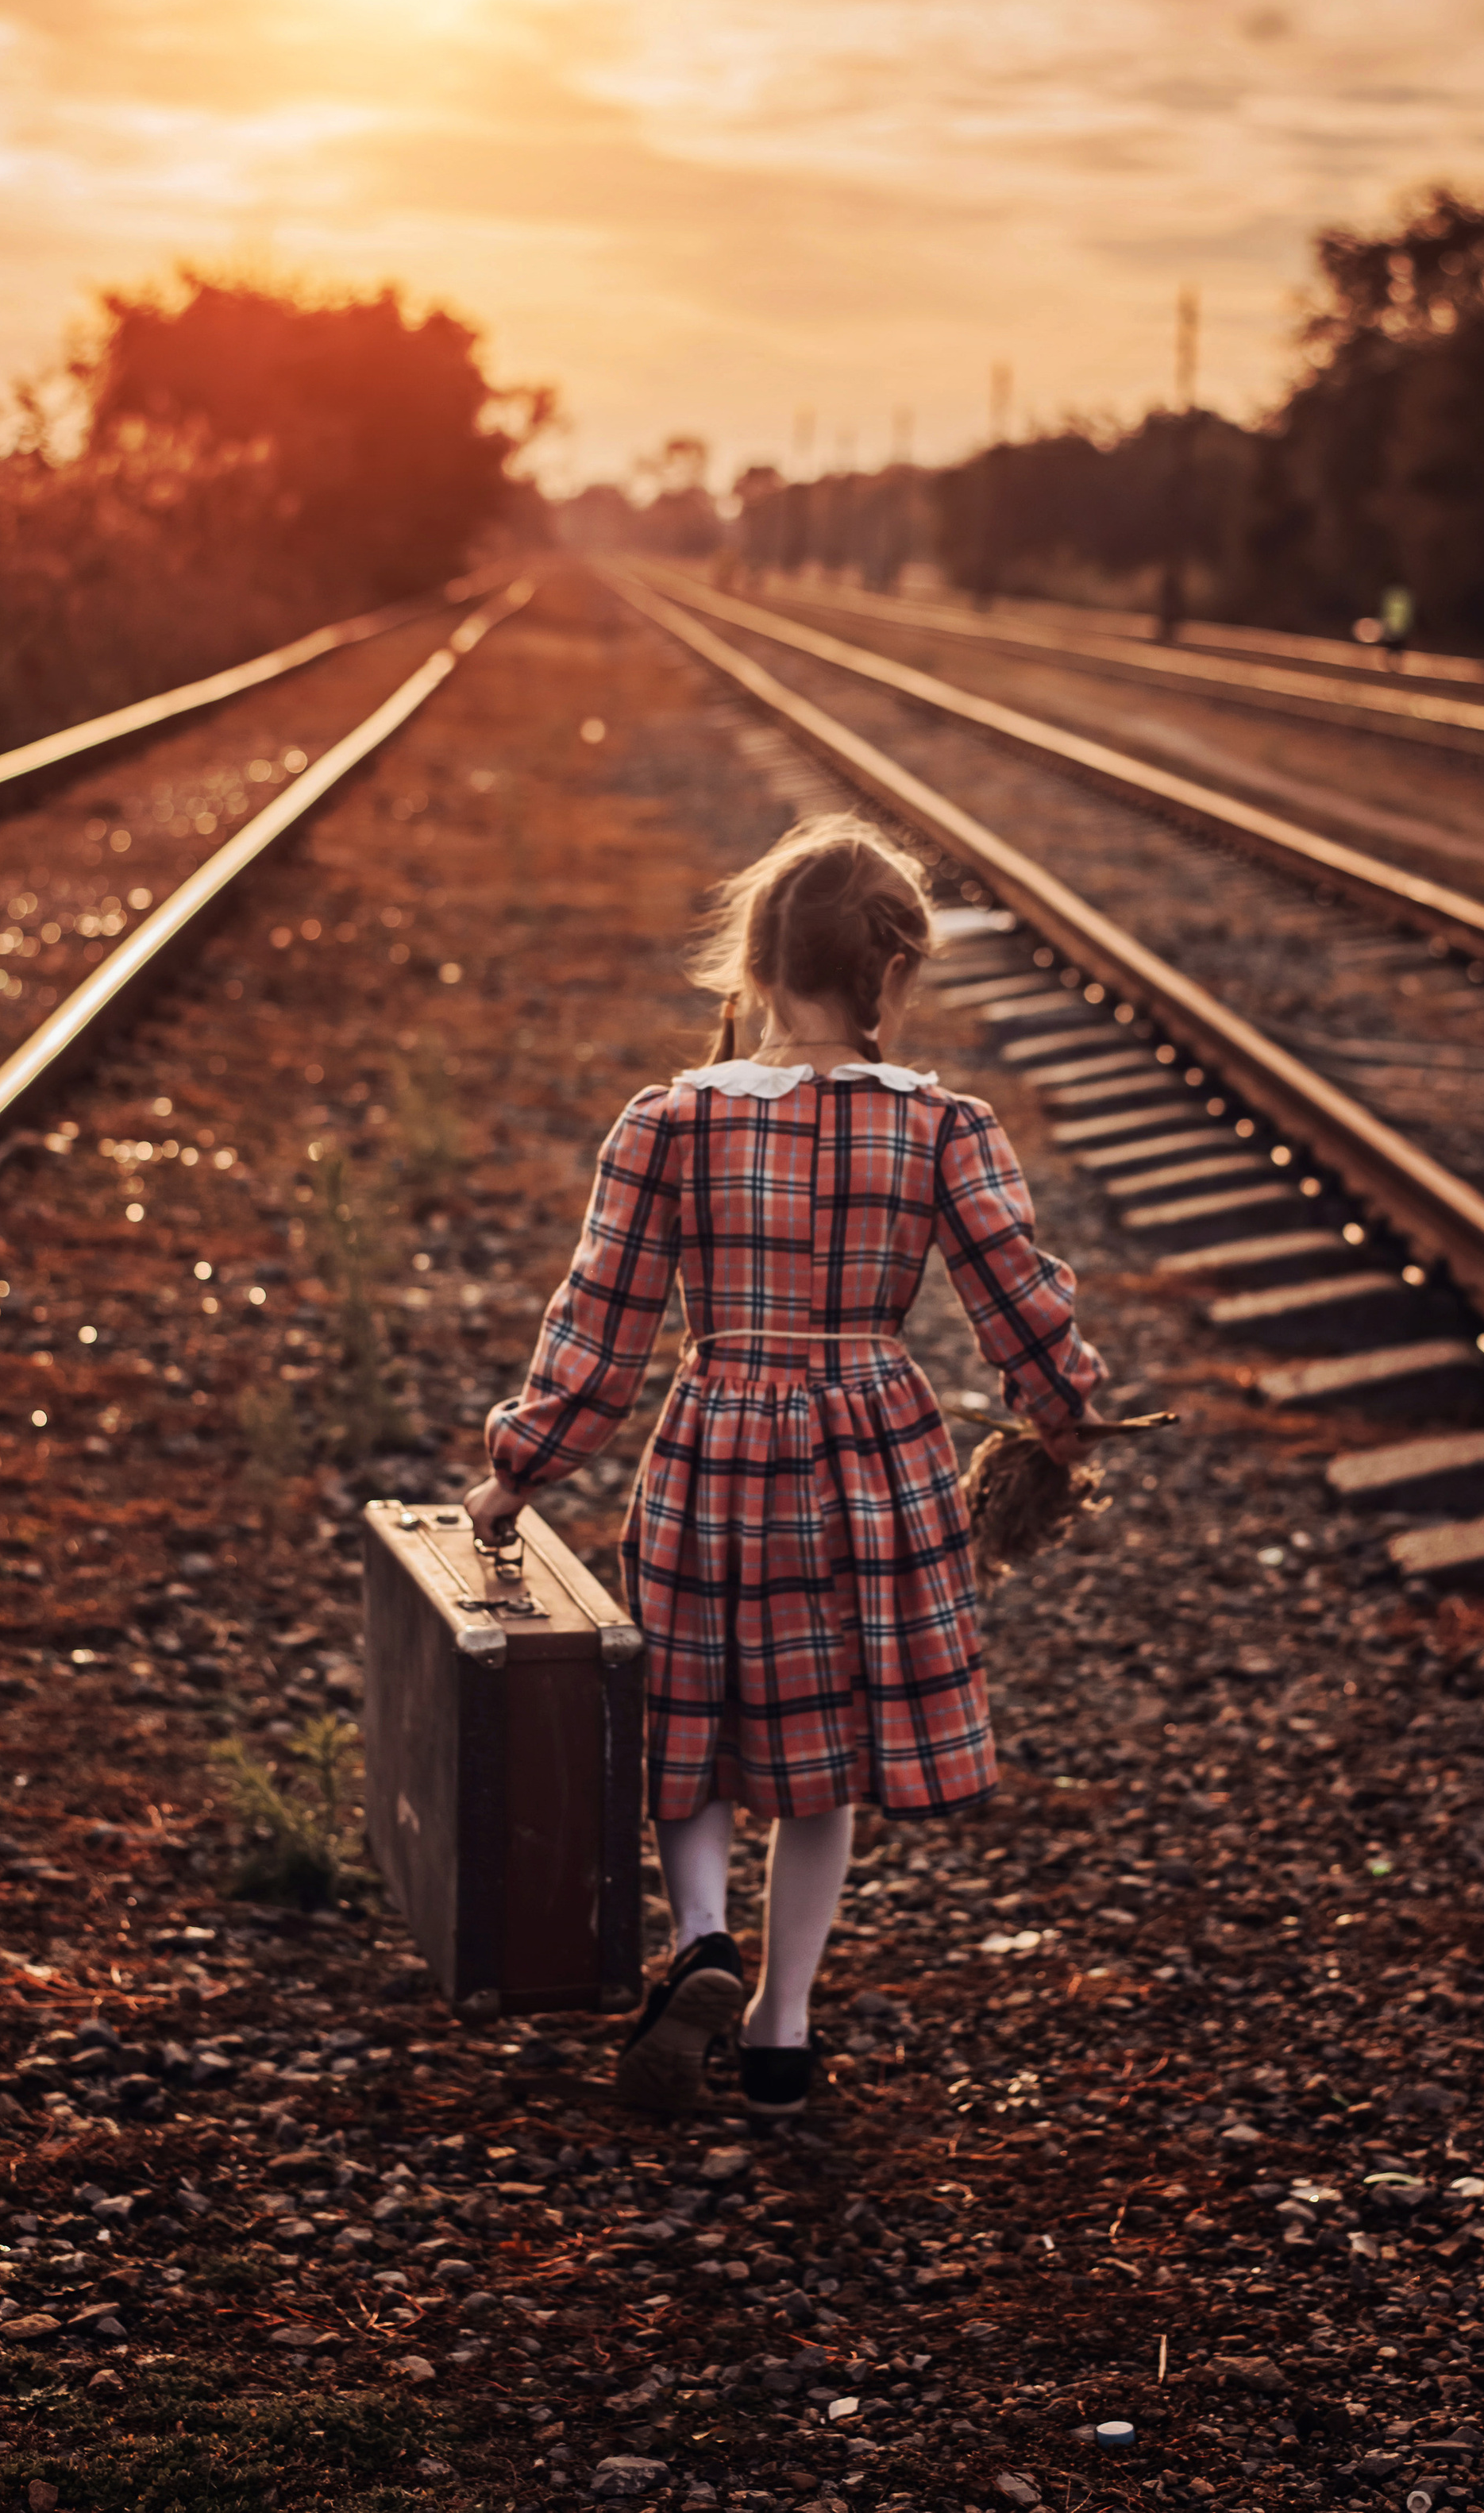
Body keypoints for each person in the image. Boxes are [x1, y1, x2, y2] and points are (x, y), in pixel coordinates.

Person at [464, 816, 1104, 2120]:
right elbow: (1019, 1302)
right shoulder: (940, 1126)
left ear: (753, 965)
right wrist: (1063, 1419)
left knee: (688, 1718)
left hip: (715, 1444)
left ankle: (698, 1935)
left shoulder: (670, 1121)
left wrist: (517, 1470)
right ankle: (781, 2026)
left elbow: (601, 1323)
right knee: (831, 1747)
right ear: (892, 970)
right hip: (873, 1453)